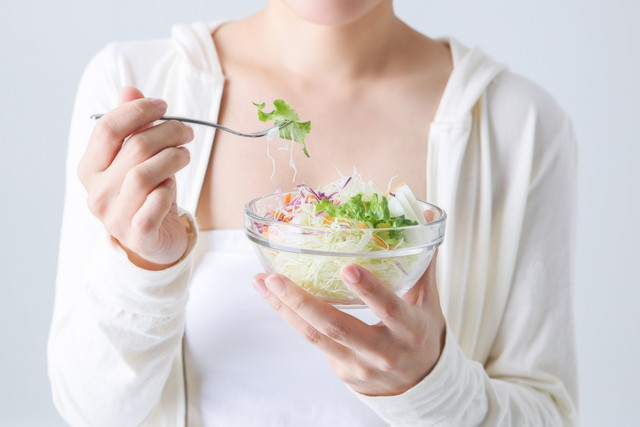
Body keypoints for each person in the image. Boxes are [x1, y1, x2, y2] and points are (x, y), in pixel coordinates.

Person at [48, 0, 578, 425]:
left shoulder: (518, 124)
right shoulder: (136, 85)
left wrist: (431, 387)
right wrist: (143, 269)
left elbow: (547, 413)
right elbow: (91, 412)